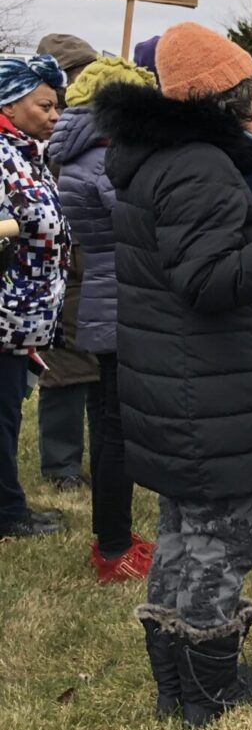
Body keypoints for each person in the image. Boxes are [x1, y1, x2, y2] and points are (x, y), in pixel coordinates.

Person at [95, 22, 252, 727]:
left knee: (184, 534)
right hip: (209, 390)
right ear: (229, 98)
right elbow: (212, 280)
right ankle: (210, 689)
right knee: (223, 543)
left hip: (181, 387)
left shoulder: (157, 159)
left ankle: (176, 687)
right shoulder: (199, 169)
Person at [48, 56, 159, 580]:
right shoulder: (104, 157)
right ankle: (113, 548)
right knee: (115, 432)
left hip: (105, 295)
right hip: (121, 297)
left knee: (109, 423)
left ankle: (114, 535)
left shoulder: (84, 151)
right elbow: (140, 218)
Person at [0, 55, 71, 540]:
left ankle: (10, 503)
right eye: (45, 104)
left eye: (57, 106)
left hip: (22, 312)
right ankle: (7, 512)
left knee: (5, 412)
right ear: (11, 101)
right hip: (3, 309)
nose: (54, 116)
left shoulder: (27, 152)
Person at [34, 34, 100, 495]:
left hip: (96, 261)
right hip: (61, 266)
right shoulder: (45, 130)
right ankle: (60, 465)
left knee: (100, 368)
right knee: (63, 370)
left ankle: (102, 453)